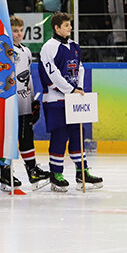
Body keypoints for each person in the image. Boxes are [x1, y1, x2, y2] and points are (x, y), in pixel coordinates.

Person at [39, 12, 102, 191]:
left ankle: (82, 172)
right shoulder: (48, 47)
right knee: (60, 135)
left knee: (77, 134)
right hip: (55, 99)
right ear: (56, 27)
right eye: (66, 25)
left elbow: (80, 68)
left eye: (70, 24)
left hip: (73, 99)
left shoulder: (74, 46)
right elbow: (51, 73)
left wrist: (78, 88)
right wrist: (70, 90)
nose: (70, 28)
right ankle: (56, 173)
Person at [10, 16, 50, 189]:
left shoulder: (26, 51)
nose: (19, 34)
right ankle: (6, 173)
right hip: (11, 103)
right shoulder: (5, 51)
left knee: (27, 136)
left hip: (25, 100)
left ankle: (32, 169)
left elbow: (29, 77)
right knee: (11, 138)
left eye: (21, 30)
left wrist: (33, 100)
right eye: (15, 31)